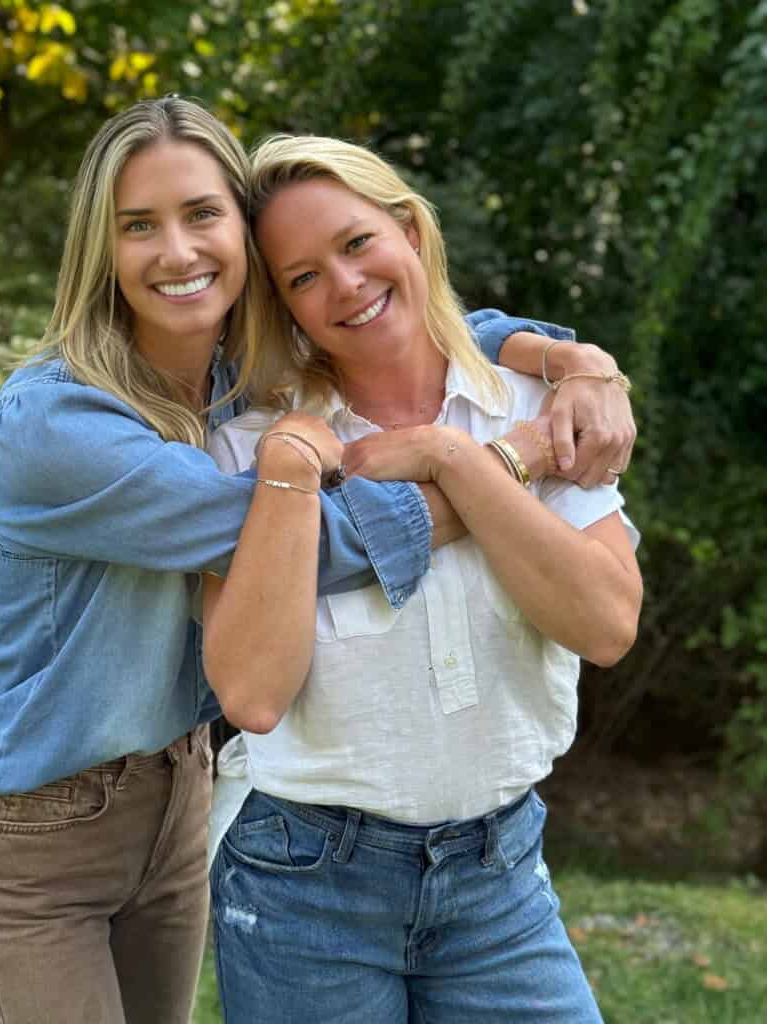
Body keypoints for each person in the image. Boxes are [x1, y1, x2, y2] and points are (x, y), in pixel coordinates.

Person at [0, 96, 635, 1024]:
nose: (177, 250)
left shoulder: (236, 382)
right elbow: (330, 542)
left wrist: (578, 361)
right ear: (99, 248)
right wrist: (504, 461)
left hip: (179, 796)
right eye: (138, 225)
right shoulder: (62, 425)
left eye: (202, 214)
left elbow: (408, 314)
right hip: (45, 824)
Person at [203, 134, 643, 1024]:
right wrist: (293, 475)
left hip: (499, 877)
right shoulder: (255, 445)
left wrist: (456, 458)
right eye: (303, 277)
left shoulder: (537, 407)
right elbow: (249, 695)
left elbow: (605, 626)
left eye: (357, 242)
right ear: (282, 304)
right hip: (303, 881)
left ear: (408, 229)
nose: (346, 285)